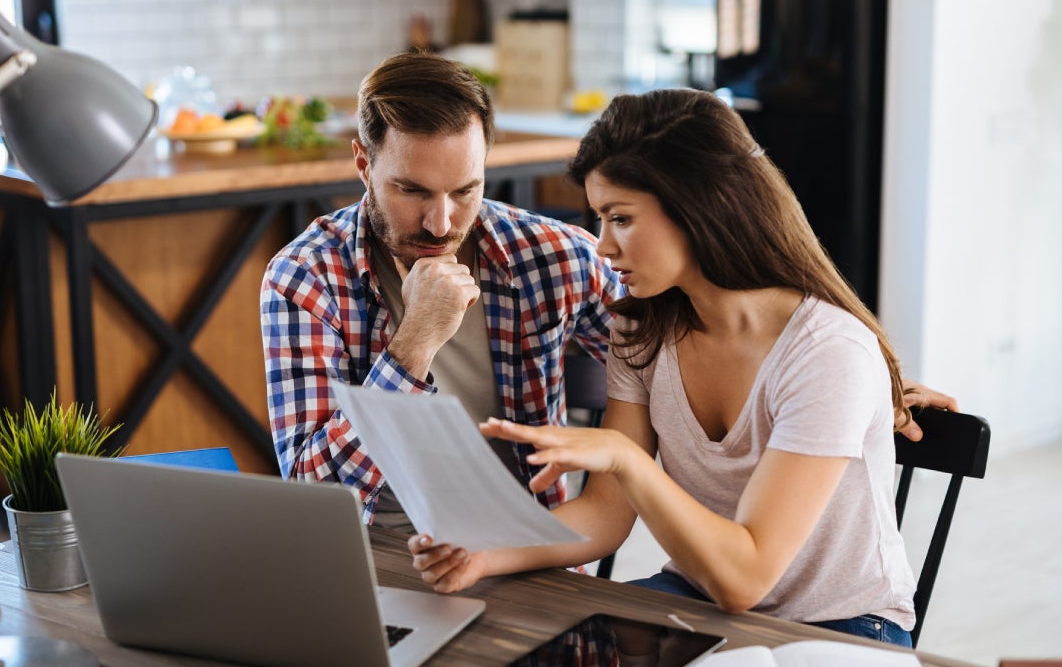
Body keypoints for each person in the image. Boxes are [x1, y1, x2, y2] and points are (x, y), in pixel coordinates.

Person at [409, 89, 958, 648]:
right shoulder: (642, 330)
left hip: (841, 628)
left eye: (620, 218)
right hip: (695, 603)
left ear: (700, 206)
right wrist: (483, 553)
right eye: (600, 220)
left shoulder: (828, 352)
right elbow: (604, 516)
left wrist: (626, 460)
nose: (602, 247)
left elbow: (745, 578)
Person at [260, 52, 621, 529]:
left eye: (465, 191)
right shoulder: (305, 278)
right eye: (412, 191)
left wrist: (604, 495)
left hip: (528, 553)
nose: (441, 223)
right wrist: (413, 346)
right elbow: (315, 497)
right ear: (364, 165)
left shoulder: (555, 256)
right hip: (377, 556)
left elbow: (668, 372)